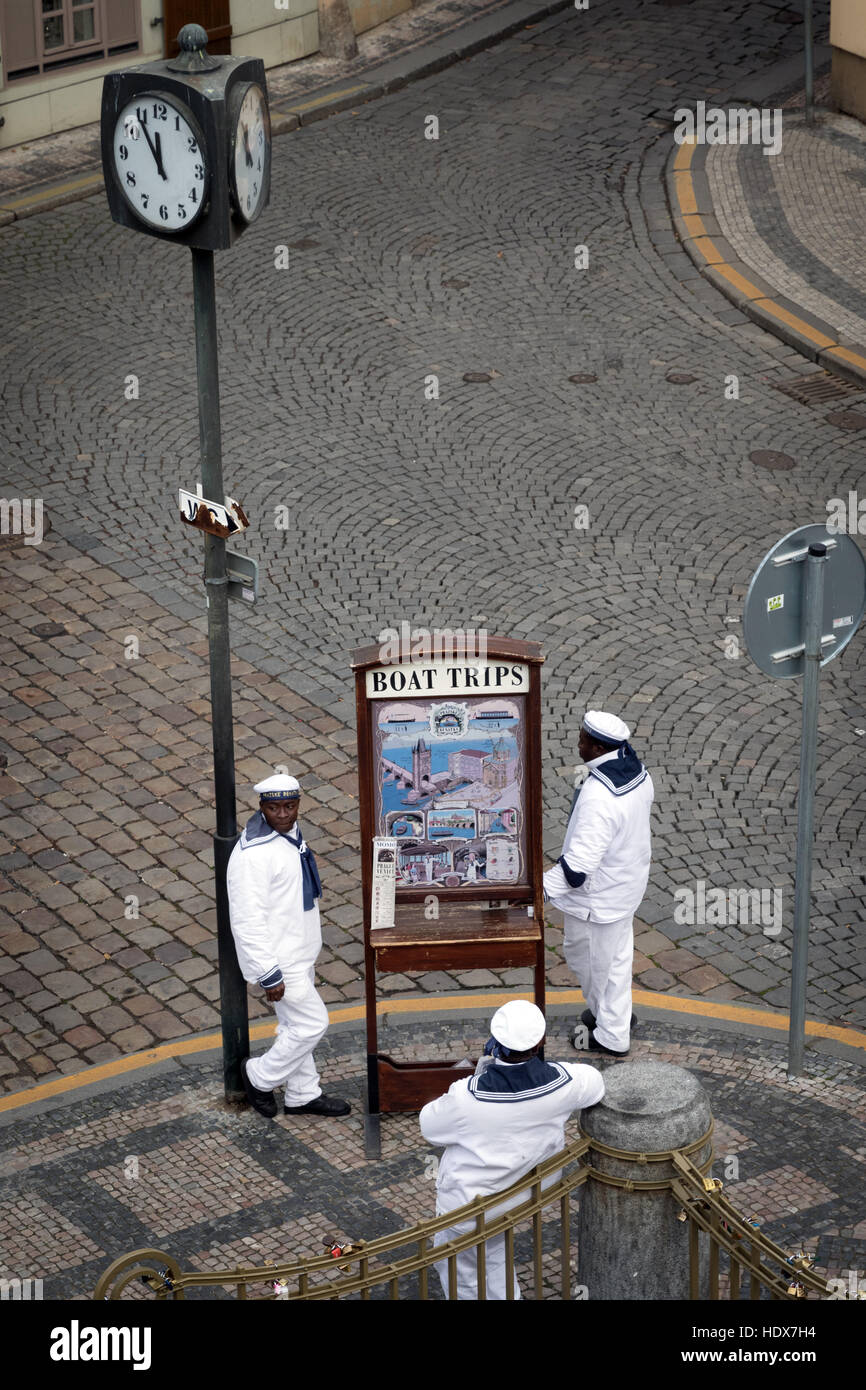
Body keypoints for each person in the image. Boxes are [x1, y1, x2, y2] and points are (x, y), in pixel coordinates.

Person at [419, 1000, 605, 1300]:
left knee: (461, 1271)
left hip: (471, 1207)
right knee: (492, 1254)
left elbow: (428, 1125)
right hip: (526, 1193)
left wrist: (480, 1071)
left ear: (495, 1041)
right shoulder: (565, 1083)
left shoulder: (466, 1097)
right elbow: (595, 1082)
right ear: (541, 1041)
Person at [226, 774, 350, 1118]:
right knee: (312, 1023)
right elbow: (247, 920)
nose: (283, 813)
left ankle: (302, 1093)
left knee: (296, 1027)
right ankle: (260, 1076)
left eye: (290, 806)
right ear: (261, 807)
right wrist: (268, 973)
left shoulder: (286, 835)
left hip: (299, 949)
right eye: (274, 807)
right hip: (281, 961)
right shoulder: (253, 856)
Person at [543, 710, 654, 1057]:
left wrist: (536, 891)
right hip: (626, 886)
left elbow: (576, 869)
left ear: (595, 746)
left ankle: (611, 1035)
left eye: (581, 739)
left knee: (589, 962)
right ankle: (613, 1016)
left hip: (598, 899)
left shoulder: (598, 797)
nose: (577, 743)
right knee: (615, 960)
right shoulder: (638, 773)